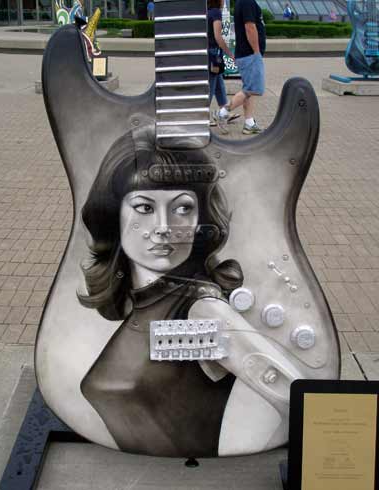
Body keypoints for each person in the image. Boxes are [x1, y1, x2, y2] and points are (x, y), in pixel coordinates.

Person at [77, 127, 305, 457]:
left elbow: (299, 399)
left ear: (201, 219)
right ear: (114, 213)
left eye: (183, 207)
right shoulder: (139, 301)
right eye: (144, 207)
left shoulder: (203, 309)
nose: (164, 227)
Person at [218, 0, 266, 135]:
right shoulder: (247, 2)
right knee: (253, 89)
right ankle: (222, 112)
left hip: (245, 54)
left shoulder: (242, 2)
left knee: (249, 89)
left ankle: (249, 123)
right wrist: (256, 52)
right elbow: (250, 27)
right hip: (250, 54)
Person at [207, 0, 239, 132]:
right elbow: (218, 37)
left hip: (209, 51)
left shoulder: (208, 12)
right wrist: (230, 54)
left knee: (219, 84)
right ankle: (201, 116)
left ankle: (223, 110)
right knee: (211, 87)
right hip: (214, 54)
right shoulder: (216, 13)